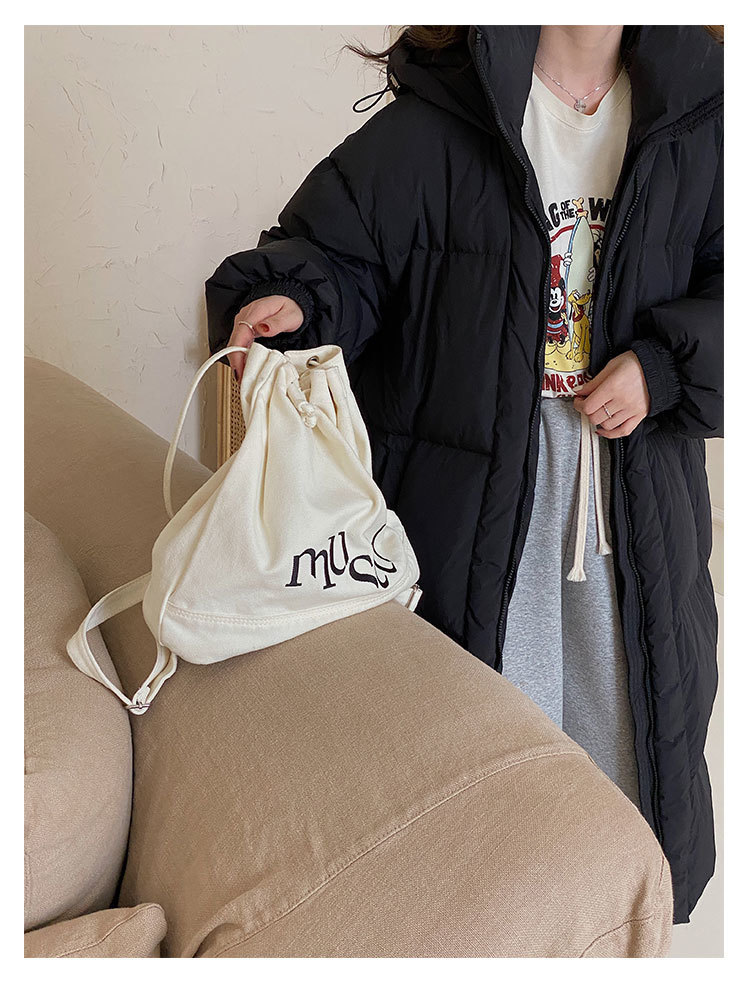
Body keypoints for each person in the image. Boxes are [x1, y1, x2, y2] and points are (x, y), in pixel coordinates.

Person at [205, 26, 723, 925]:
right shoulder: (448, 111)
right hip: (471, 497)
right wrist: (300, 298)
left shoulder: (706, 117)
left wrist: (663, 368)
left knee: (622, 764)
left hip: (628, 501)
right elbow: (339, 254)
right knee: (478, 777)